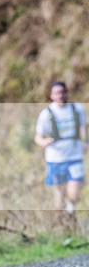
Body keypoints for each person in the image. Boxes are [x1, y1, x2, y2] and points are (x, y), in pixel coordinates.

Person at [34, 81, 88, 214]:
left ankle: (70, 212)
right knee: (59, 193)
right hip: (56, 158)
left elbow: (84, 127)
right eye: (57, 93)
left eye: (62, 92)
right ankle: (60, 222)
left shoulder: (77, 109)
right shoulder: (46, 114)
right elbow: (38, 137)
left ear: (67, 93)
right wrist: (44, 142)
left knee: (74, 192)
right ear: (52, 96)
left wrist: (86, 142)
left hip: (75, 156)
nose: (60, 96)